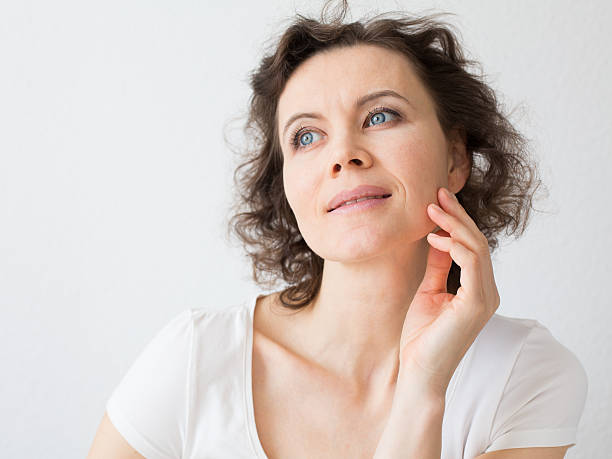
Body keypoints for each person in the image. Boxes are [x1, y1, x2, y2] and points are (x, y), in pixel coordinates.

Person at [87, 1, 588, 458]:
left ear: (455, 158)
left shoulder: (526, 375)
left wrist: (422, 388)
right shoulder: (194, 359)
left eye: (381, 116)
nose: (343, 154)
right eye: (306, 136)